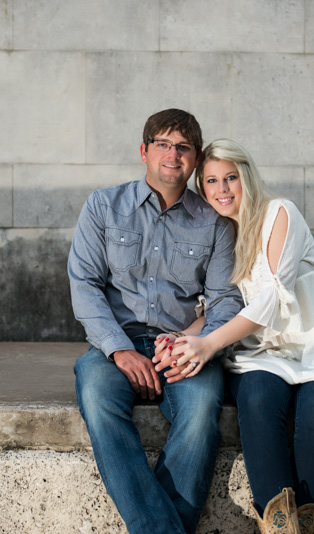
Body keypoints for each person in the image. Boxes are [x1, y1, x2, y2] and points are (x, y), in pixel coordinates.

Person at [153, 139, 314, 534]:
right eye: (211, 181)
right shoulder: (221, 234)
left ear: (246, 176)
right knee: (258, 397)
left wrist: (209, 344)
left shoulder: (280, 213)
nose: (222, 189)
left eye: (230, 178)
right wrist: (182, 337)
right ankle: (281, 526)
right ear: (202, 189)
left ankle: (295, 526)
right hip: (261, 352)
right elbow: (218, 306)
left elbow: (274, 299)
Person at [68, 110, 243, 534]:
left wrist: (194, 347)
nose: (172, 154)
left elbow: (225, 299)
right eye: (163, 144)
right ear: (144, 151)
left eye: (183, 147)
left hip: (183, 347)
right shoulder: (103, 206)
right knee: (96, 397)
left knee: (203, 409)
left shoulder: (215, 221)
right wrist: (120, 349)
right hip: (115, 346)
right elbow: (84, 284)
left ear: (196, 159)